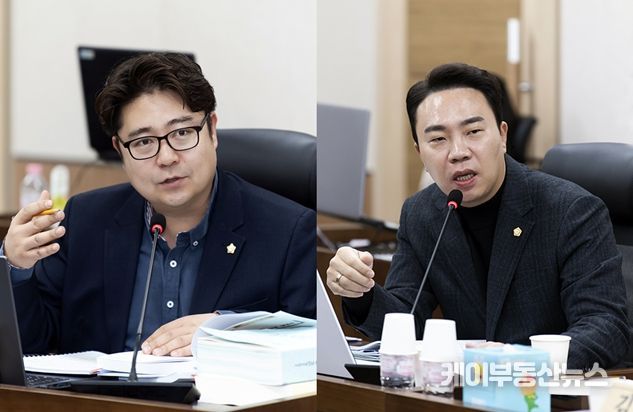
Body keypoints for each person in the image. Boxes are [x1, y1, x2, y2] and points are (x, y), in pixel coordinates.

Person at [2, 53, 315, 356]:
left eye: (182, 133)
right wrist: (16, 266)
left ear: (212, 130)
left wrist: (229, 331)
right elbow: (32, 347)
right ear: (119, 150)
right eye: (143, 142)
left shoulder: (286, 230)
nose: (166, 158)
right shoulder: (86, 220)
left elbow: (310, 345)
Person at [326, 62, 630, 370]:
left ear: (502, 135)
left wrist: (518, 362)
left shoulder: (570, 210)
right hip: (466, 389)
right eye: (438, 139)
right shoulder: (422, 213)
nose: (458, 152)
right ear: (420, 153)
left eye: (473, 132)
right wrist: (360, 292)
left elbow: (605, 327)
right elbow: (406, 318)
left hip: (545, 388)